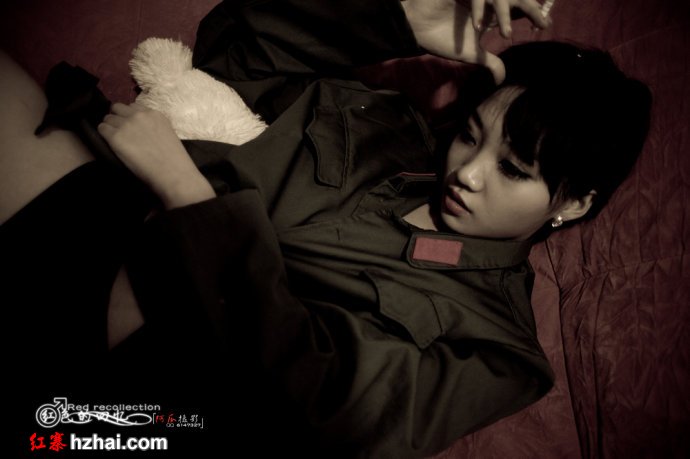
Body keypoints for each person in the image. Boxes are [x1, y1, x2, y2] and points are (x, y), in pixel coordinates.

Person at [1, 0, 651, 457]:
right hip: (97, 221)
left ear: (573, 203)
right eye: (472, 135)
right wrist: (392, 17)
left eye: (511, 169)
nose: (469, 172)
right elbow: (234, 59)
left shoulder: (498, 351)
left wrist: (188, 195)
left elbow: (319, 415)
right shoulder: (390, 127)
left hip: (134, 400)